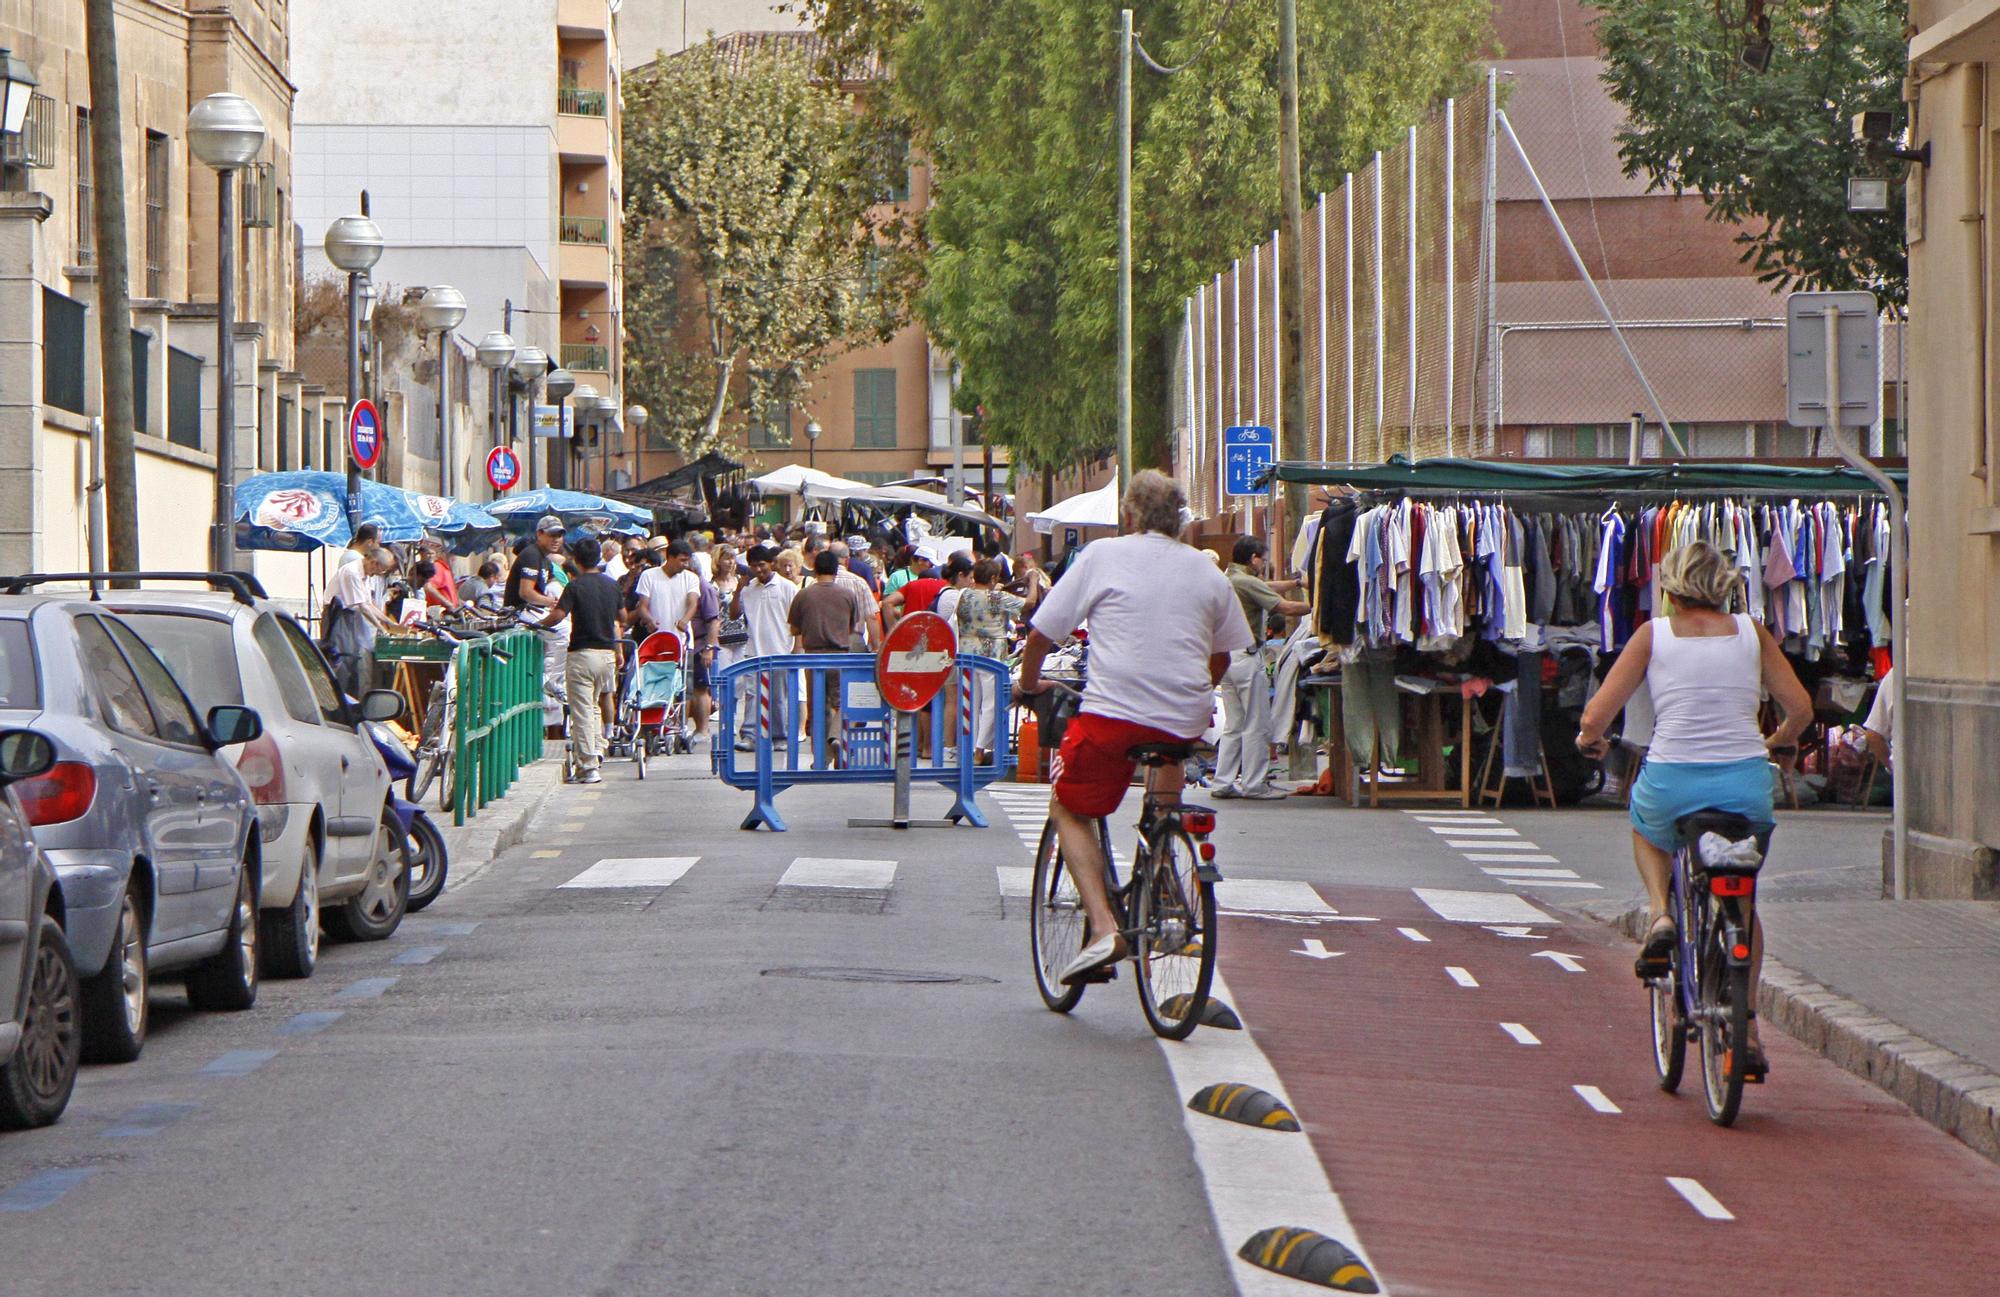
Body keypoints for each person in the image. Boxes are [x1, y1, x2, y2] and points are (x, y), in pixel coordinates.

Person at [1576, 540, 1812, 1079]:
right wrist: (1778, 739)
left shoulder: (1652, 635)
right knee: (1745, 906)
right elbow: (1798, 708)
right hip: (1745, 789)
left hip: (1671, 782)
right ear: (1724, 585)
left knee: (1646, 826)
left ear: (1670, 587)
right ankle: (1747, 1029)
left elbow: (1598, 713)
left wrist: (1590, 738)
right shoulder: (1752, 633)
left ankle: (1661, 913)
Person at [1018, 471, 1252, 984]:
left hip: (1112, 713)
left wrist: (1031, 684)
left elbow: (1041, 635)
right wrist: (1188, 691)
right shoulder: (1207, 571)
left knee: (1069, 806)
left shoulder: (1103, 556)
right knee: (1167, 758)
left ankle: (1104, 928)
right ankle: (1166, 866)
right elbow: (1221, 657)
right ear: (1182, 522)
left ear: (1129, 516)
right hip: (1185, 715)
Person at [1214, 537, 1313, 800]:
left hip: (1226, 658)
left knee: (1234, 725)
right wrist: (1320, 607)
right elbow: (1284, 606)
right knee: (1256, 724)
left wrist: (1295, 583)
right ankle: (1254, 784)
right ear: (1253, 558)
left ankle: (1222, 782)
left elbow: (1265, 587)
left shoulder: (1230, 577)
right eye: (1263, 559)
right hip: (1247, 659)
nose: (1264, 563)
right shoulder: (1246, 582)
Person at [535, 536, 623, 783]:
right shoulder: (611, 585)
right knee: (593, 706)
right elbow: (623, 616)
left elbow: (558, 616)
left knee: (582, 710)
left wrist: (536, 625)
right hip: (606, 655)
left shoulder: (575, 586)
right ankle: (597, 748)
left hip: (582, 654)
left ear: (576, 560)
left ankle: (588, 765)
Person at [957, 558, 1036, 763]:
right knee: (991, 703)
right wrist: (1033, 581)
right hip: (992, 653)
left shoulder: (964, 595)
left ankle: (967, 747)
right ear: (993, 578)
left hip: (966, 651)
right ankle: (980, 749)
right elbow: (1029, 603)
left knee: (970, 702)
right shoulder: (999, 597)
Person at [733, 544, 799, 749]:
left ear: (771, 563)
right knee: (752, 694)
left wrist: (795, 651)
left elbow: (798, 622)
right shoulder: (748, 589)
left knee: (779, 697)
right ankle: (750, 736)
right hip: (753, 651)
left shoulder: (788, 588)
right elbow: (734, 614)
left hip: (781, 650)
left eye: (761, 565)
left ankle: (780, 737)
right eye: (753, 566)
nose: (758, 570)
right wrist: (738, 589)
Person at [324, 543, 402, 696]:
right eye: (380, 570)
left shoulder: (364, 574)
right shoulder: (352, 572)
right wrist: (381, 627)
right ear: (373, 563)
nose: (378, 574)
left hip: (350, 616)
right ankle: (338, 699)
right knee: (343, 660)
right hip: (339, 616)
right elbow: (362, 606)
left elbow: (369, 604)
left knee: (353, 659)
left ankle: (349, 698)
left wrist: (389, 623)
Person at [636, 540, 700, 638]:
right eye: (682, 560)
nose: (686, 564)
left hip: (682, 641)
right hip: (657, 639)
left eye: (688, 560)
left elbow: (693, 603)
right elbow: (642, 606)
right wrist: (649, 620)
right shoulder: (648, 575)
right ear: (670, 557)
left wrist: (685, 620)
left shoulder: (692, 578)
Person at [827, 540, 879, 649]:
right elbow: (871, 616)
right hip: (853, 639)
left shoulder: (818, 582)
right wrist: (876, 646)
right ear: (847, 560)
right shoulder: (859, 582)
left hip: (825, 640)